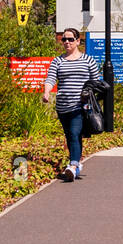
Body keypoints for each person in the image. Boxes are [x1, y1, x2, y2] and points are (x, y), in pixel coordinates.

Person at [42, 27, 101, 181]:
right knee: (71, 136)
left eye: (70, 39)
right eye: (64, 39)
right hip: (62, 106)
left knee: (75, 133)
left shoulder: (88, 60)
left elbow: (96, 81)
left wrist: (89, 92)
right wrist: (46, 92)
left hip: (80, 105)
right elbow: (50, 79)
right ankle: (76, 164)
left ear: (78, 41)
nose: (67, 42)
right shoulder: (58, 61)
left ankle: (73, 165)